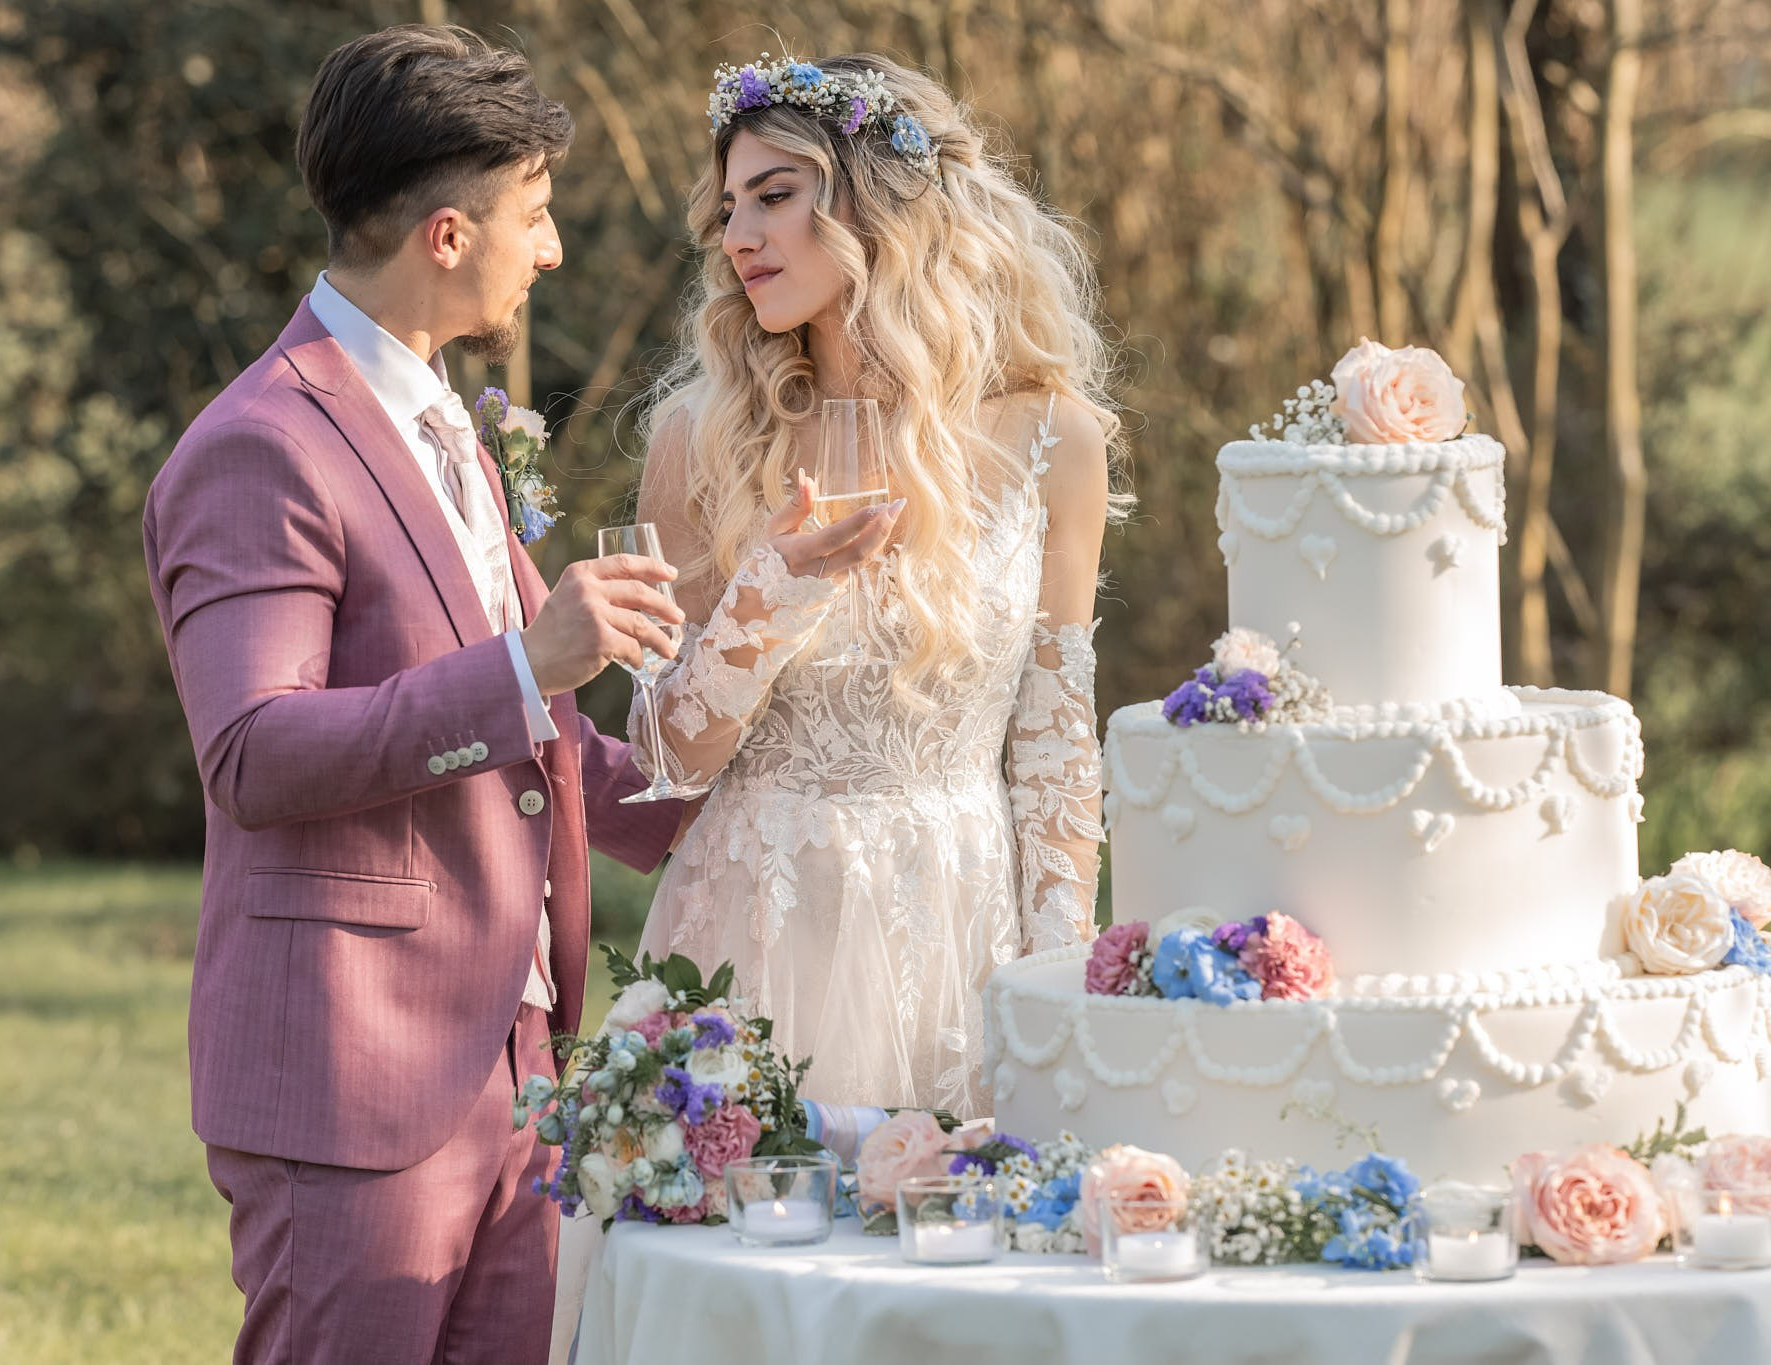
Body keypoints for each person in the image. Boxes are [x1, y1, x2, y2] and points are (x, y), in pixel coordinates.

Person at [141, 27, 897, 1364]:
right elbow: (253, 750)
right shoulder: (261, 448)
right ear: (446, 234)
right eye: (534, 216)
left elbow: (533, 741)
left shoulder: (444, 427)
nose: (548, 250)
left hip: (518, 1080)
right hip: (351, 1086)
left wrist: (723, 780)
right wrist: (527, 663)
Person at [636, 51, 1120, 1124]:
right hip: (758, 928)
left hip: (961, 923)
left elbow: (1051, 741)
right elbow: (665, 759)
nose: (737, 237)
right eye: (727, 209)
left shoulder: (1051, 437)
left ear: (878, 207)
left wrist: (1060, 982)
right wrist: (767, 594)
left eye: (774, 197)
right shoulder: (696, 439)